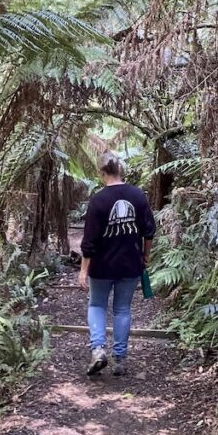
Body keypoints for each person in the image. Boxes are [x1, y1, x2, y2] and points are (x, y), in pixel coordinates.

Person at [78, 152, 156, 376]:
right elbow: (149, 230)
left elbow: (89, 240)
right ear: (120, 170)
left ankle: (98, 349)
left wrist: (83, 270)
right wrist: (145, 256)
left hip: (101, 266)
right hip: (130, 263)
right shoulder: (138, 195)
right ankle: (119, 359)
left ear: (102, 173)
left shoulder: (98, 200)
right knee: (122, 309)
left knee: (97, 306)